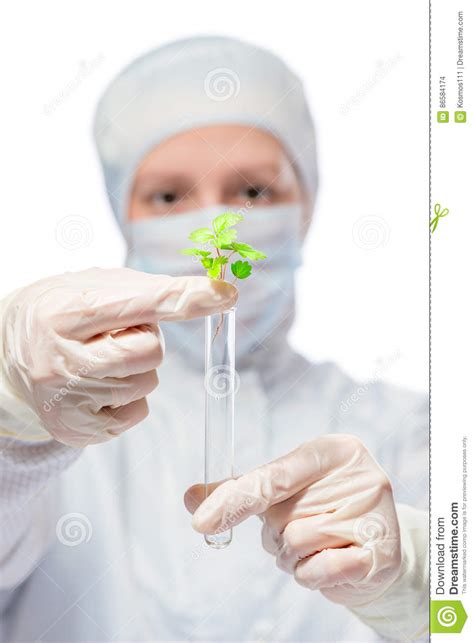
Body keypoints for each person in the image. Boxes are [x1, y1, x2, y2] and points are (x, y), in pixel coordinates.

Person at [0, 36, 428, 641]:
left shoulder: (406, 428)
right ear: (124, 215)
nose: (213, 227)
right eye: (169, 196)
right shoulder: (65, 425)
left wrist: (411, 579)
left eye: (253, 191)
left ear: (305, 206)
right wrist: (12, 425)